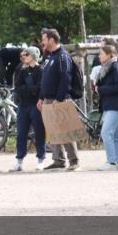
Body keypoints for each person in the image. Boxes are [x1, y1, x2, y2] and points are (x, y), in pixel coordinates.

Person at [39, 28, 79, 171]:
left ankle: (74, 161)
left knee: (65, 130)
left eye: (44, 39)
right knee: (53, 131)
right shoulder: (51, 57)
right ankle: (58, 160)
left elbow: (65, 78)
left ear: (51, 40)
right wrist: (41, 98)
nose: (42, 42)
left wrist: (59, 98)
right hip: (49, 99)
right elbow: (46, 79)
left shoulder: (63, 56)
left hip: (59, 99)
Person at [10, 47, 46, 172]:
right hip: (23, 105)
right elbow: (17, 87)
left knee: (39, 132)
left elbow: (40, 88)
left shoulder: (40, 70)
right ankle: (19, 160)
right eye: (23, 54)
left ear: (33, 56)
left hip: (36, 105)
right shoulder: (22, 70)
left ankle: (41, 158)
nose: (24, 57)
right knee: (21, 133)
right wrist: (30, 89)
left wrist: (29, 89)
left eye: (26, 54)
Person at [95, 44, 118, 170]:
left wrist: (101, 89)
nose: (99, 56)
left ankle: (111, 161)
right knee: (115, 134)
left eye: (101, 53)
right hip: (110, 104)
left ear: (110, 55)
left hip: (116, 104)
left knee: (106, 132)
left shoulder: (117, 67)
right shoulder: (107, 67)